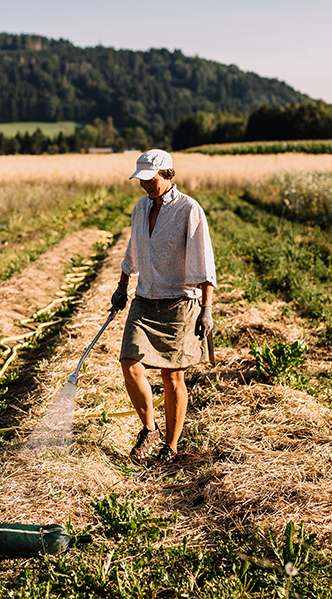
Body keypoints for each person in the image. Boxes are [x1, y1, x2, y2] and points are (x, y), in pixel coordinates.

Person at [110, 148, 216, 466]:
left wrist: (207, 307)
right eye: (141, 180)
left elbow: (203, 258)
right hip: (145, 298)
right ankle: (149, 429)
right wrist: (122, 283)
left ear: (167, 174)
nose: (144, 185)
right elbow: (135, 246)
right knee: (129, 363)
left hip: (179, 302)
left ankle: (170, 447)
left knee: (172, 378)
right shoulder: (140, 208)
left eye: (150, 179)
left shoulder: (189, 210)